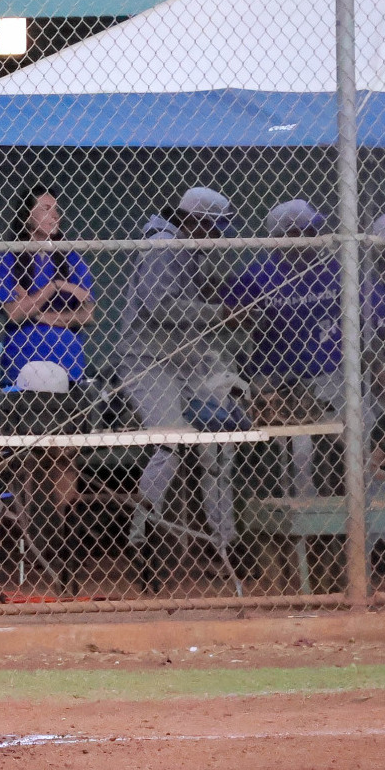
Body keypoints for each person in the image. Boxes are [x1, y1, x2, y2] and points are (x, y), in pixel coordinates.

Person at [119, 187, 247, 557]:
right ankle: (138, 536)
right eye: (214, 228)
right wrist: (218, 313)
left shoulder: (185, 250)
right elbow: (159, 305)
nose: (217, 237)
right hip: (147, 363)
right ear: (195, 221)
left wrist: (219, 299)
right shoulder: (165, 245)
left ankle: (226, 540)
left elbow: (184, 302)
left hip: (184, 364)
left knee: (218, 445)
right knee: (171, 442)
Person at [227, 199, 356, 497]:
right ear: (287, 235)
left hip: (331, 375)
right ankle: (301, 514)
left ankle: (359, 510)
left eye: (314, 231)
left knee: (355, 441)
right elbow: (229, 319)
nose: (315, 237)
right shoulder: (258, 275)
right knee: (300, 455)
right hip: (279, 380)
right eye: (307, 231)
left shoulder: (334, 269)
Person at [0, 186, 93, 386]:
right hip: (23, 361)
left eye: (56, 210)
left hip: (68, 362)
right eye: (46, 209)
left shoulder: (71, 257)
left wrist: (38, 314)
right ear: (27, 216)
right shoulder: (7, 255)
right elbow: (14, 313)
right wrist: (55, 286)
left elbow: (87, 315)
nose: (55, 215)